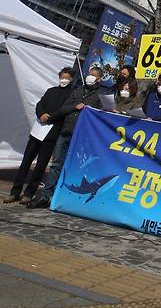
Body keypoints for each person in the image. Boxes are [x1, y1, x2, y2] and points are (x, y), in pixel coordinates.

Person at [28, 66, 104, 209]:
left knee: (75, 167)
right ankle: (46, 196)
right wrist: (75, 106)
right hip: (66, 132)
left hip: (82, 137)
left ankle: (66, 198)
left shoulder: (100, 95)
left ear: (99, 79)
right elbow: (64, 108)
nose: (89, 77)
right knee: (56, 164)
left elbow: (100, 115)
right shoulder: (77, 90)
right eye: (89, 74)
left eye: (93, 75)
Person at [3, 66, 76, 206]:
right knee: (26, 162)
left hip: (52, 132)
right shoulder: (51, 91)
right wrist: (41, 114)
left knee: (41, 165)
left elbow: (64, 110)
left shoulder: (71, 94)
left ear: (71, 79)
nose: (64, 80)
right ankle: (15, 191)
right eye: (62, 77)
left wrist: (50, 117)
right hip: (38, 130)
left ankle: (29, 193)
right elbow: (40, 104)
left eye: (67, 77)